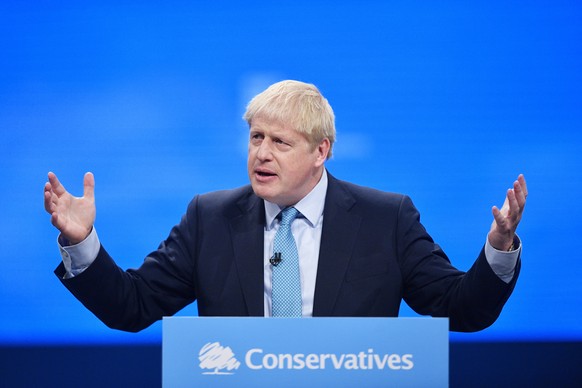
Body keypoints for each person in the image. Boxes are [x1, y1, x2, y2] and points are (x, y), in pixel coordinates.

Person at [44, 80, 527, 333]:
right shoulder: (209, 218)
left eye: (280, 141)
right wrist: (82, 242)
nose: (262, 154)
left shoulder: (387, 219)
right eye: (255, 137)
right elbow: (133, 306)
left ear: (321, 152)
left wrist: (499, 247)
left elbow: (461, 310)